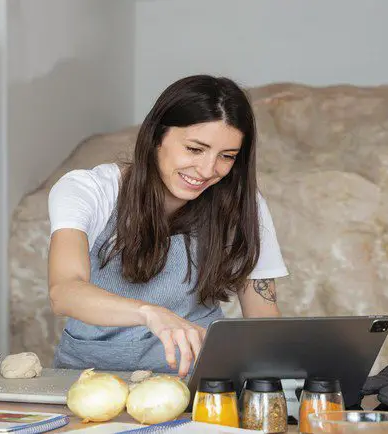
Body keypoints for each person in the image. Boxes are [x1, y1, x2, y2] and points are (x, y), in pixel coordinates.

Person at [46, 75, 289, 378]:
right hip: (87, 382)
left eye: (226, 157)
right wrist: (150, 314)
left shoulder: (243, 205)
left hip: (198, 387)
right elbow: (64, 291)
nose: (207, 170)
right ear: (157, 136)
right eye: (195, 149)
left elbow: (262, 319)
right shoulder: (87, 190)